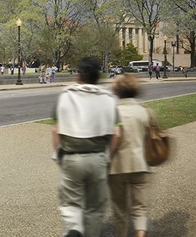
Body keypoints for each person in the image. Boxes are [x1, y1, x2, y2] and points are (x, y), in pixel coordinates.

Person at [52, 57, 121, 237]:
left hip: (71, 156)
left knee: (70, 203)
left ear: (78, 75)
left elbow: (56, 129)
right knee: (95, 208)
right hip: (98, 157)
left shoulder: (66, 95)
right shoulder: (108, 98)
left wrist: (58, 154)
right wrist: (107, 156)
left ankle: (74, 228)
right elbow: (117, 133)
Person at [109, 73, 152, 237]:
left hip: (116, 166)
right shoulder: (145, 112)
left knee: (120, 209)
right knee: (140, 208)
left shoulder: (112, 113)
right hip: (140, 164)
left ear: (116, 91)